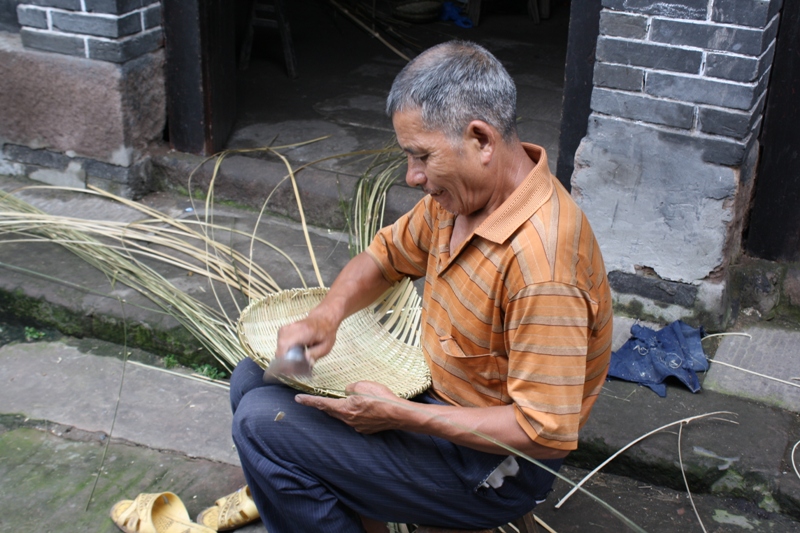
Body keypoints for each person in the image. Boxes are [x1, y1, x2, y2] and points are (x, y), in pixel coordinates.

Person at [223, 40, 612, 532]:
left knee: (260, 426)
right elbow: (385, 258)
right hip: (441, 399)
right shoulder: (460, 200)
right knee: (253, 380)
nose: (412, 176)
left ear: (481, 140)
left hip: (495, 468)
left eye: (421, 156)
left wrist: (402, 416)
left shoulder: (543, 265)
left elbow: (542, 433)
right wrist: (326, 315)